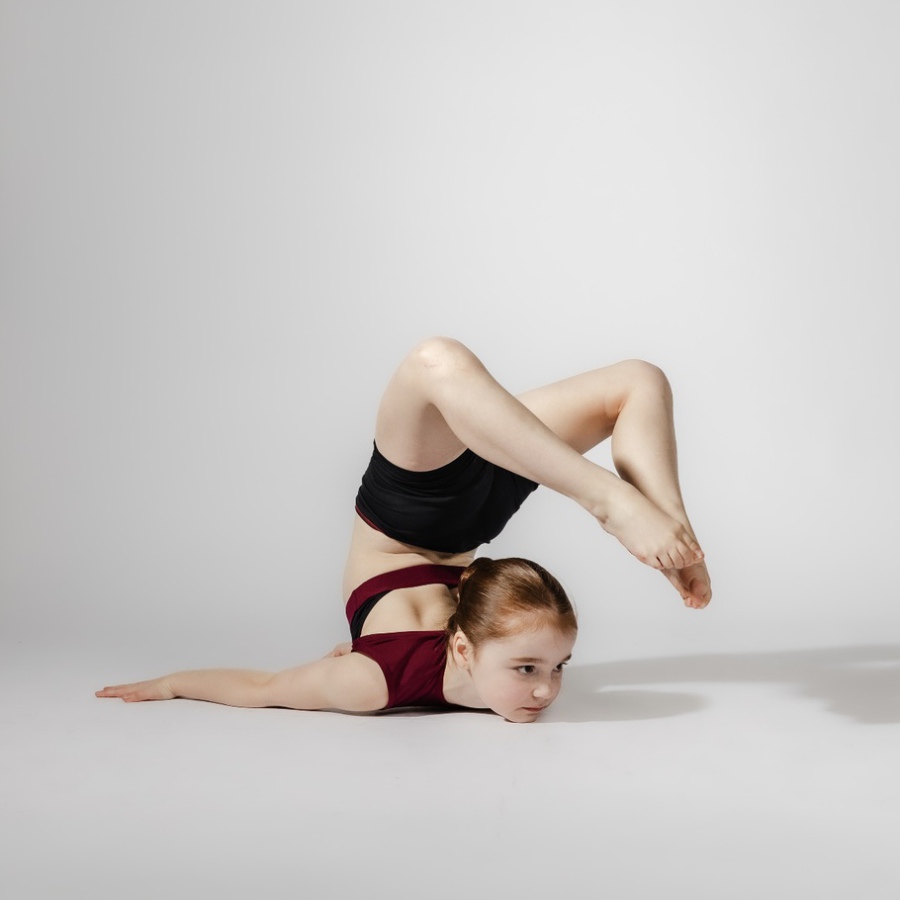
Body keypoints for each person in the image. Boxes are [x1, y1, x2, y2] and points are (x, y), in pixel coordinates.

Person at [96, 337, 711, 722]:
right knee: (636, 379)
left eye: (551, 668)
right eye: (533, 668)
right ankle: (623, 507)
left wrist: (174, 683)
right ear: (465, 646)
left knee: (437, 363)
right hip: (473, 522)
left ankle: (647, 521)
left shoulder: (372, 682)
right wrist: (171, 684)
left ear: (464, 650)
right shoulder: (422, 663)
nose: (546, 690)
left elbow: (265, 687)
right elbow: (263, 688)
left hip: (405, 515)